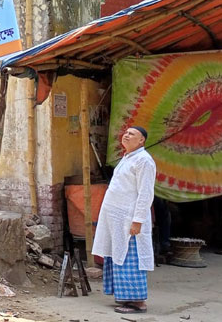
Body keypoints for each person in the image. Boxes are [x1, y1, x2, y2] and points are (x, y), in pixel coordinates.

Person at [93, 126, 156, 315]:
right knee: (118, 254)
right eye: (126, 133)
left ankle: (137, 302)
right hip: (116, 219)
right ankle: (125, 298)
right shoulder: (127, 158)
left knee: (131, 258)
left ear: (142, 141)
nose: (127, 135)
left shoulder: (144, 161)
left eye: (132, 134)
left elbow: (145, 193)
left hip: (130, 219)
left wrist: (137, 220)